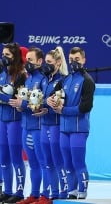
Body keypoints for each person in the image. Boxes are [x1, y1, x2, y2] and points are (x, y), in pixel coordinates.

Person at [47, 47, 95, 200]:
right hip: (64, 129)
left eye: (77, 60)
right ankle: (72, 190)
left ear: (83, 60)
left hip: (79, 129)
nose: (74, 62)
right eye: (71, 59)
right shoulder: (65, 80)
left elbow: (85, 107)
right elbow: (52, 95)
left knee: (78, 161)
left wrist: (63, 110)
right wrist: (49, 100)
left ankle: (82, 191)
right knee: (67, 162)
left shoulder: (87, 81)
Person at [9, 47, 48, 204]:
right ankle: (34, 194)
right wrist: (19, 106)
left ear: (40, 61)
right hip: (26, 126)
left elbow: (42, 104)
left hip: (39, 127)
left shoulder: (44, 80)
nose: (27, 63)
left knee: (43, 162)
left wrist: (23, 103)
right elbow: (26, 102)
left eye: (30, 60)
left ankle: (45, 195)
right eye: (27, 60)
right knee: (32, 164)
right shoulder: (27, 79)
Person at [35, 47, 69, 203]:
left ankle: (63, 192)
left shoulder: (63, 80)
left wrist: (51, 103)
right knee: (47, 161)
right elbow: (40, 100)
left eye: (49, 62)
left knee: (58, 160)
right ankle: (52, 193)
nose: (46, 65)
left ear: (58, 62)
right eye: (45, 62)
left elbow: (63, 101)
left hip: (56, 125)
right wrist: (43, 104)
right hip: (44, 124)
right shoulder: (44, 79)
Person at [0, 43, 26, 203]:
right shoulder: (2, 73)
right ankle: (7, 190)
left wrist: (3, 98)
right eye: (3, 54)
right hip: (2, 119)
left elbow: (18, 100)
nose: (4, 57)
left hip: (15, 120)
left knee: (16, 157)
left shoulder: (21, 75)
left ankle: (19, 192)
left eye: (7, 55)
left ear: (15, 57)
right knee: (3, 158)